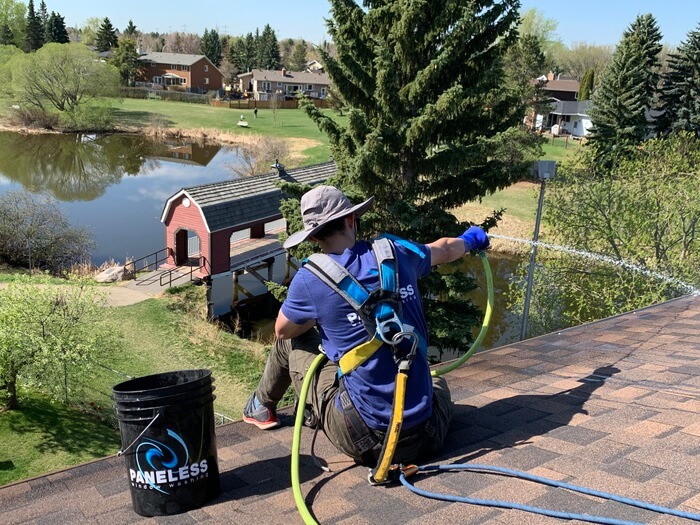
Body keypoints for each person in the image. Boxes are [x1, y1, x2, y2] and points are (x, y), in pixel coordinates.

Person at [243, 185, 489, 467]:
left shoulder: (310, 280)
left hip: (364, 441)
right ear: (350, 219)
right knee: (436, 381)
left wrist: (326, 314)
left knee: (288, 344)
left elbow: (282, 331)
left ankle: (261, 407)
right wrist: (472, 239)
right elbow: (444, 250)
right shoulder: (397, 253)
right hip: (428, 435)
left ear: (313, 236)